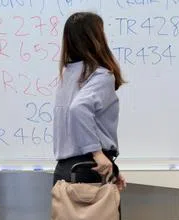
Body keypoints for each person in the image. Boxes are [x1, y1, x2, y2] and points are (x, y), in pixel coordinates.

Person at [52, 12, 126, 190]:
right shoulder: (101, 75)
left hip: (64, 170)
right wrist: (98, 154)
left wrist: (111, 169)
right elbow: (78, 109)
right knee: (105, 210)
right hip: (89, 168)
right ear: (96, 39)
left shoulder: (68, 74)